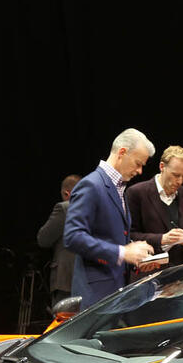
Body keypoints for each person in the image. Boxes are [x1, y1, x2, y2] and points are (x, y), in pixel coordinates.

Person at [63, 128, 156, 308]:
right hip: (95, 298)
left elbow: (114, 238)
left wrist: (136, 259)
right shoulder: (91, 185)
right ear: (122, 152)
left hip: (115, 295)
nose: (140, 171)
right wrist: (123, 253)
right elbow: (72, 237)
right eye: (138, 163)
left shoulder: (120, 189)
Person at [127, 145, 183, 266]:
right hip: (150, 272)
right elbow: (129, 235)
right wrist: (162, 239)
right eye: (176, 175)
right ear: (162, 166)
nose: (180, 181)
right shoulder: (136, 193)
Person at [36, 174, 81, 305]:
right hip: (91, 277)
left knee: (65, 323)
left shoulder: (65, 208)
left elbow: (43, 239)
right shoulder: (96, 208)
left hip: (66, 279)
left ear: (66, 193)